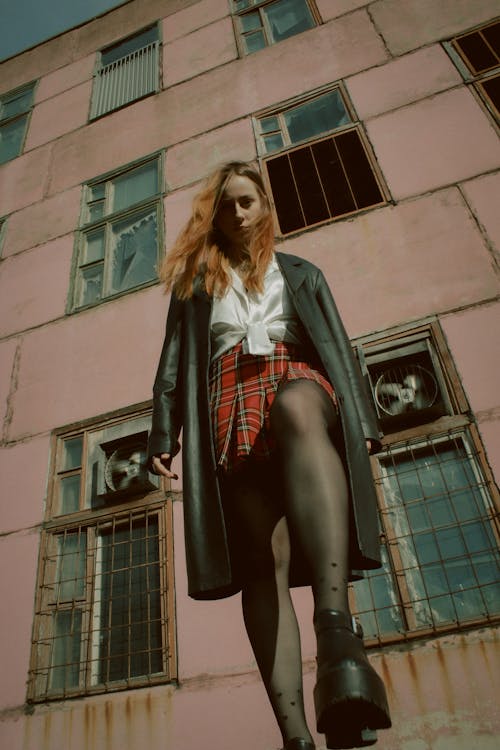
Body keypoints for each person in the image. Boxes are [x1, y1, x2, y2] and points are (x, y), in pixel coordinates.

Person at [148, 161, 391, 750]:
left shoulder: (302, 273)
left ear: (265, 206)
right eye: (226, 205)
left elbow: (340, 345)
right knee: (264, 560)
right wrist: (162, 436)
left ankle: (335, 631)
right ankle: (295, 736)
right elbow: (171, 368)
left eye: (247, 202)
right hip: (228, 397)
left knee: (299, 408)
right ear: (214, 215)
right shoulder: (194, 289)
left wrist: (362, 423)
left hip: (295, 377)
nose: (236, 214)